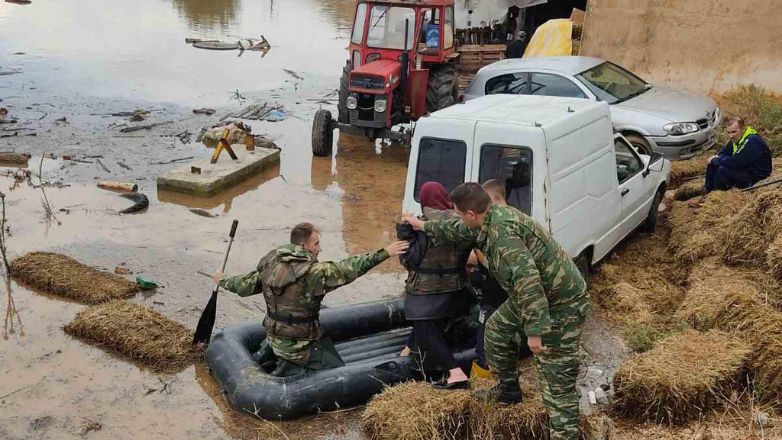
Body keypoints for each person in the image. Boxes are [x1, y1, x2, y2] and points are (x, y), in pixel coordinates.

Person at [402, 183, 589, 440]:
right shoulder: (486, 219)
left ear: (471, 214)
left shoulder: (503, 234)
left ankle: (566, 434)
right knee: (496, 331)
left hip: (560, 302)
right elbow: (454, 229)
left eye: (460, 214)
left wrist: (535, 331)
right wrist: (421, 225)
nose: (459, 219)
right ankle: (508, 390)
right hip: (531, 297)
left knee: (556, 376)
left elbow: (528, 281)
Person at [213, 222, 409, 376]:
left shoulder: (271, 263)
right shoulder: (314, 273)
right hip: (302, 346)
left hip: (273, 338)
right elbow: (350, 268)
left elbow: (244, 285)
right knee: (337, 371)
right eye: (316, 244)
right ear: (303, 245)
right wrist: (385, 253)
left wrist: (224, 280)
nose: (319, 249)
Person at [399, 182, 472, 389]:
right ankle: (411, 348)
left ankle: (455, 372)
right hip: (457, 289)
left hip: (427, 291)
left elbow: (409, 260)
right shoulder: (461, 222)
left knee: (424, 325)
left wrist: (404, 232)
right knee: (431, 324)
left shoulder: (420, 224)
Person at [705, 117, 771, 193]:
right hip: (744, 170)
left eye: (734, 132)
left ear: (742, 129)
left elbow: (736, 162)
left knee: (722, 170)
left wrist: (717, 160)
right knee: (712, 164)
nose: (731, 136)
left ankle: (721, 194)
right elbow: (722, 154)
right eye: (728, 132)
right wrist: (717, 160)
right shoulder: (735, 139)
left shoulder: (752, 140)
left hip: (756, 175)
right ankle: (709, 192)